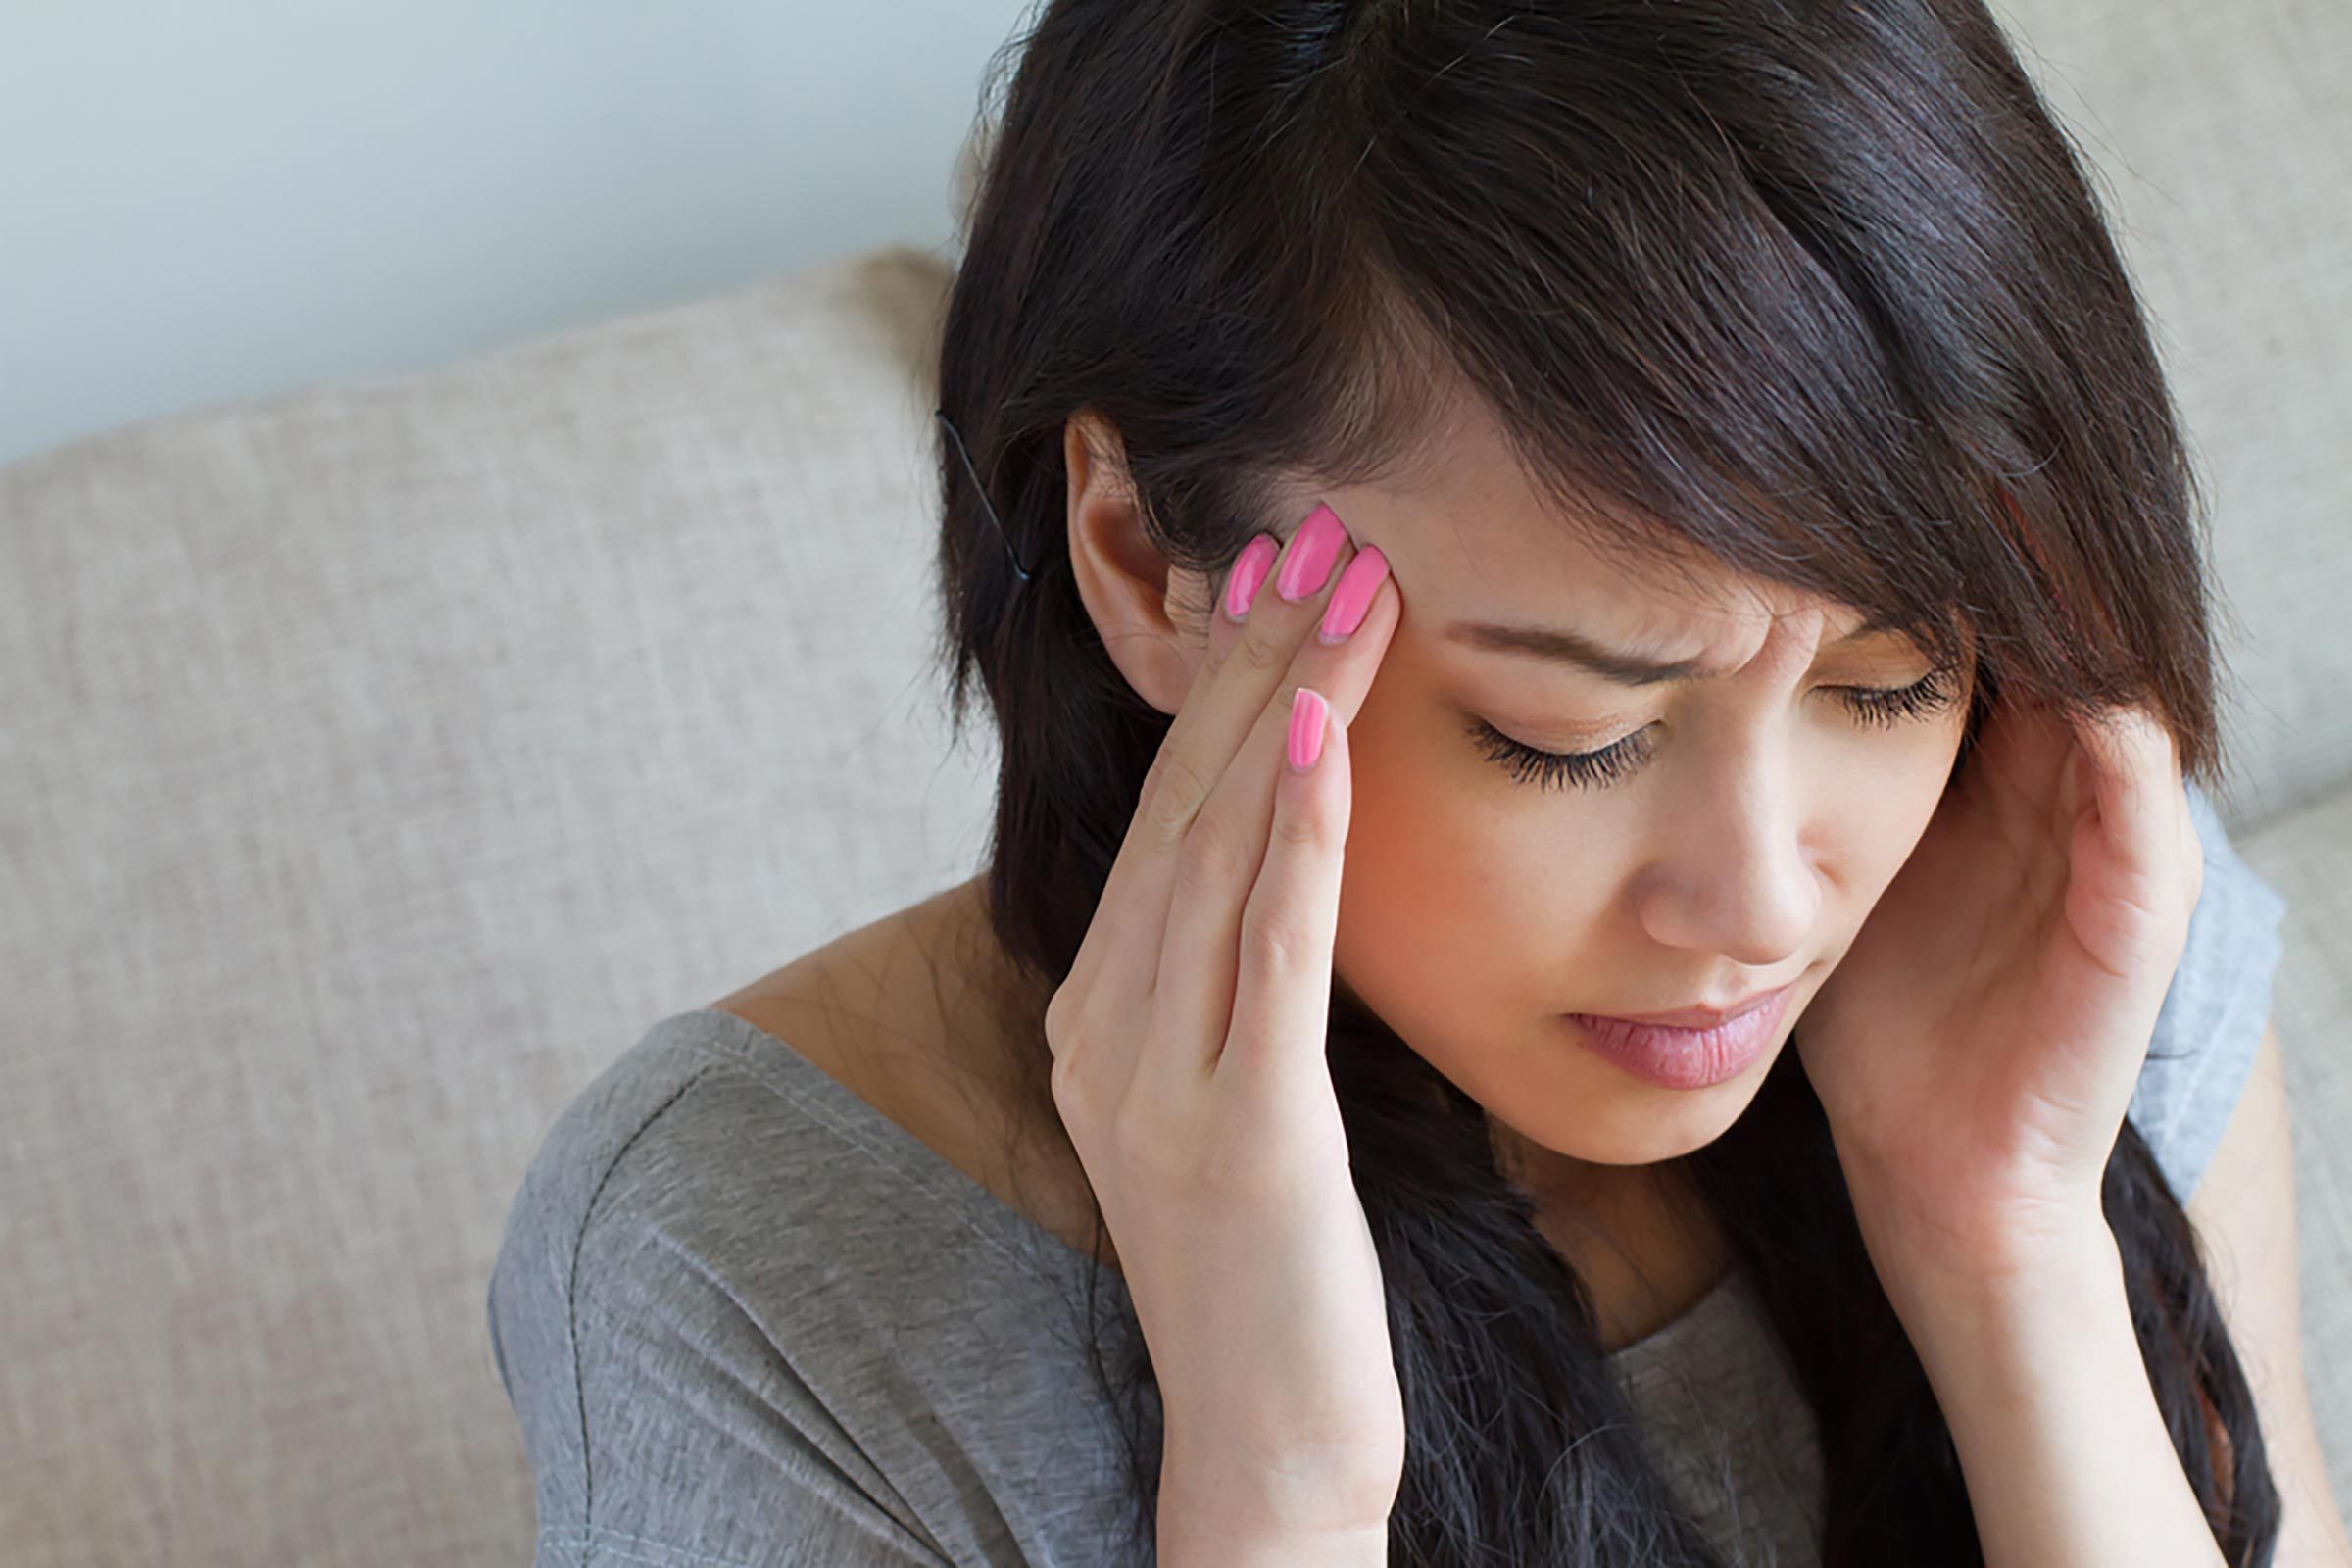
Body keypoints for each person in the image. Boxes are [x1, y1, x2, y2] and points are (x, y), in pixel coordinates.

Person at [487, 2, 2314, 1563]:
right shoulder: (745, 1262)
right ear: (1141, 560)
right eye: (1570, 732)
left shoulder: (2049, 924)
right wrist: (1276, 1487)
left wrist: (2006, 1251)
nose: (1767, 902)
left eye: (1890, 682)